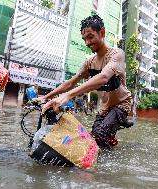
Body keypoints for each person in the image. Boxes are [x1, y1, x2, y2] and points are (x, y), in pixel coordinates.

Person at [35, 15, 132, 149]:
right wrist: (46, 97)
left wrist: (67, 96)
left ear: (102, 33)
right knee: (92, 139)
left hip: (122, 104)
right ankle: (111, 139)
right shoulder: (89, 62)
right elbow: (70, 83)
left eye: (90, 37)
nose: (87, 43)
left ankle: (106, 165)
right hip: (104, 108)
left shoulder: (117, 54)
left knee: (99, 135)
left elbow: (104, 77)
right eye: (84, 39)